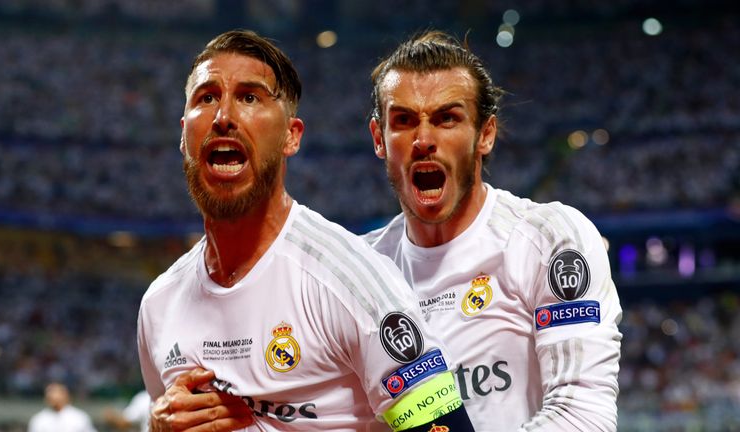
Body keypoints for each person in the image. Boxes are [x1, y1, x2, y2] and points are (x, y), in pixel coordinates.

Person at [137, 29, 475, 431]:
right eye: (206, 97)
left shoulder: (349, 279)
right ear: (183, 135)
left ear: (290, 137)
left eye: (249, 97)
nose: (223, 116)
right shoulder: (160, 305)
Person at [363, 31, 623, 431]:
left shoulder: (548, 240)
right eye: (404, 121)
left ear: (485, 134)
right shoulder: (361, 272)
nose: (424, 140)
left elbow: (582, 414)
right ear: (380, 139)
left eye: (447, 118)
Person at [28, 382, 97, 432]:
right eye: (49, 394)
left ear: (66, 396)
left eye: (56, 393)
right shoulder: (39, 419)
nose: (52, 396)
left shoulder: (79, 417)